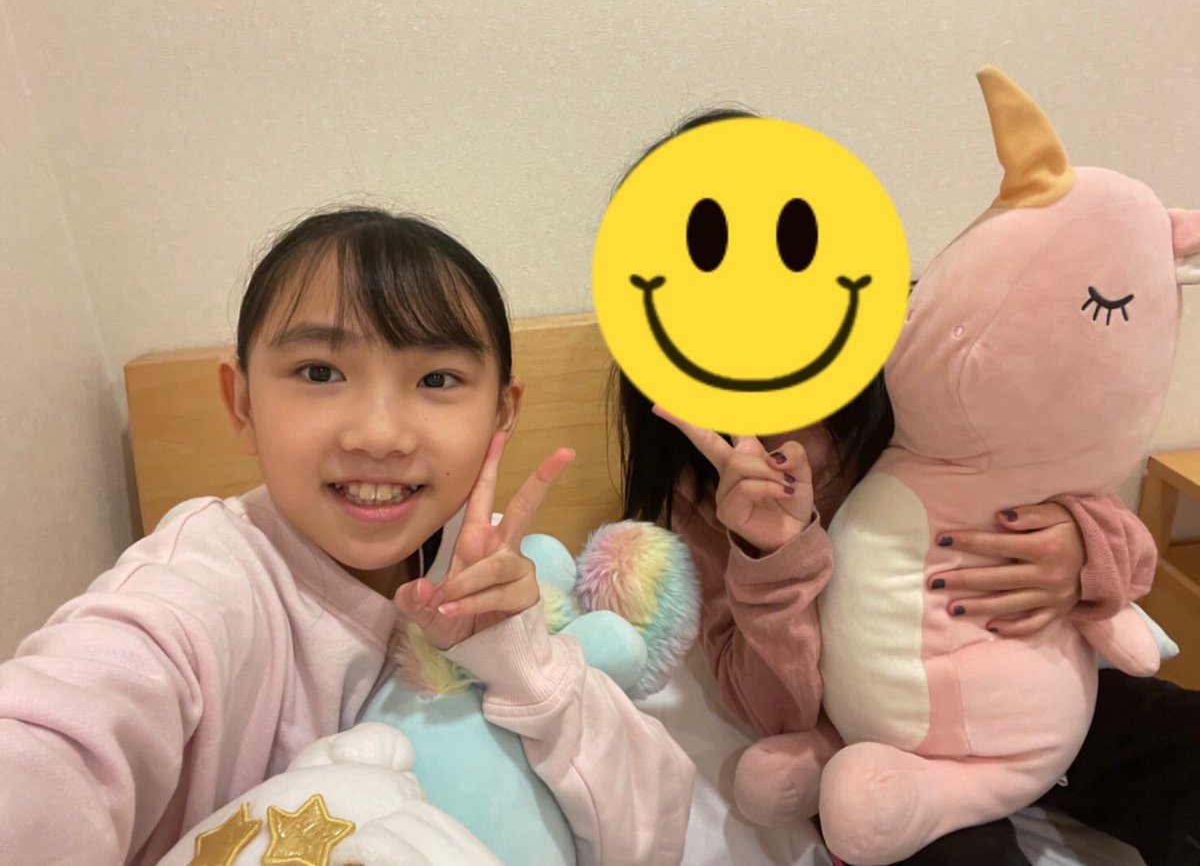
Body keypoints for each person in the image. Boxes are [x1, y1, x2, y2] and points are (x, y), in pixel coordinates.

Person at [0, 208, 694, 865]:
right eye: (320, 373)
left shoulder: (482, 570)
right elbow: (57, 739)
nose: (379, 435)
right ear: (242, 405)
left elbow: (652, 831)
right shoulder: (202, 582)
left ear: (501, 415)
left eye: (437, 378)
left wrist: (519, 659)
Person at [613, 110, 1200, 865]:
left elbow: (1119, 543)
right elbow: (771, 711)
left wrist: (1081, 552)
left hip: (1037, 694)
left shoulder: (926, 376)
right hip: (878, 745)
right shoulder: (701, 492)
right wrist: (774, 559)